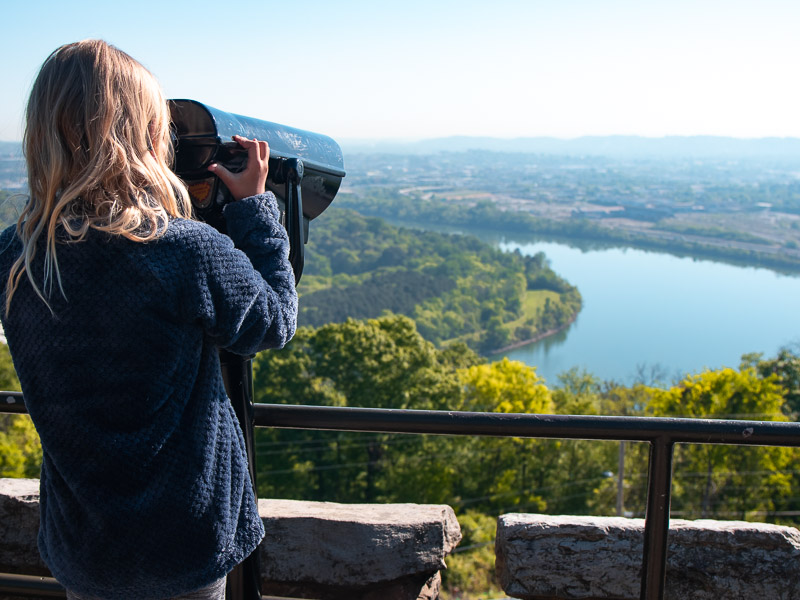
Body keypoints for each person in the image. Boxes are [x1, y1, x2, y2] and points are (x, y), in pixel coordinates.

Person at [0, 40, 297, 599]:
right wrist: (256, 210)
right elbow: (273, 321)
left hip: (83, 547)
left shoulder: (15, 256)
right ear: (143, 133)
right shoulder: (183, 251)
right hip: (182, 544)